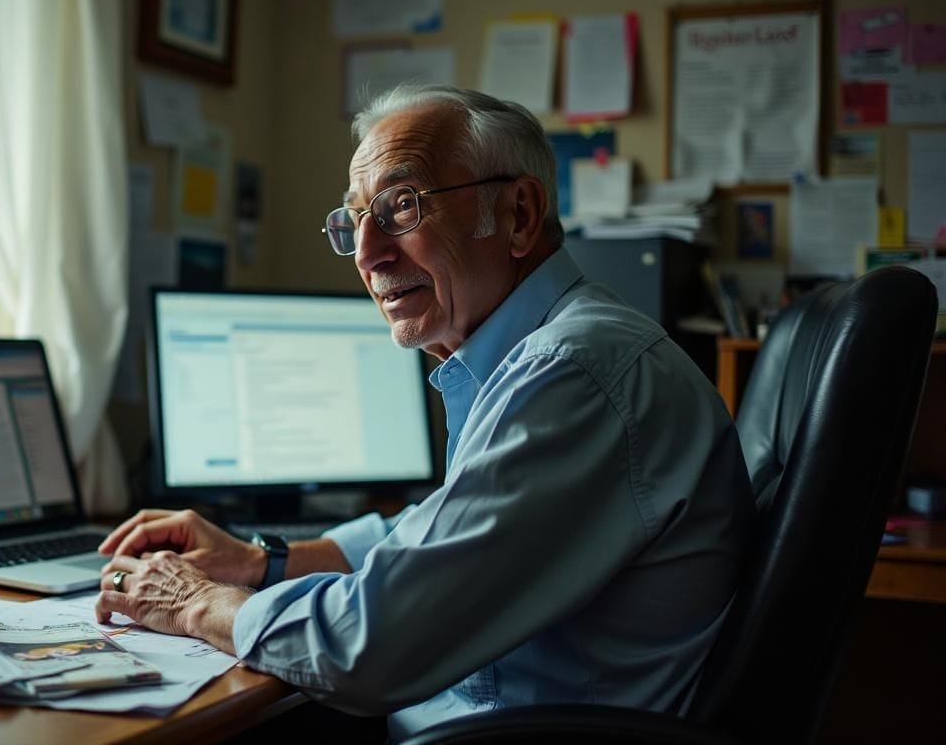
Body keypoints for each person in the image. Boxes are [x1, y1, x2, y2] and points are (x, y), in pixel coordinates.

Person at [94, 85, 755, 741]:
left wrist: (197, 602)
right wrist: (260, 561)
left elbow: (367, 647)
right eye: (355, 221)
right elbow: (440, 542)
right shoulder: (536, 355)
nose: (367, 252)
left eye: (402, 207)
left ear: (520, 215)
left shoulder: (575, 372)